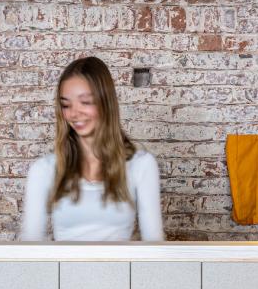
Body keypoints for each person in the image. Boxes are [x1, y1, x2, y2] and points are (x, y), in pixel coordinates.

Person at [20, 57, 164, 241]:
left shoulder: (141, 165)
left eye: (85, 102)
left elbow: (155, 244)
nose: (74, 113)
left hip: (120, 270)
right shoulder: (43, 170)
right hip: (63, 270)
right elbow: (30, 248)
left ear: (105, 102)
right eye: (66, 105)